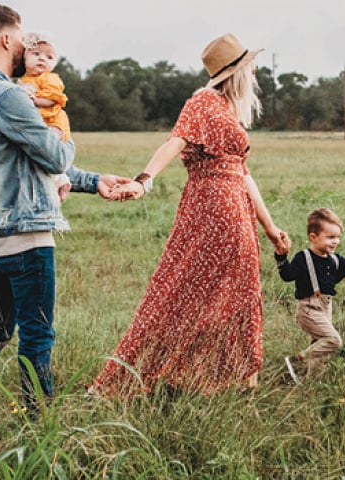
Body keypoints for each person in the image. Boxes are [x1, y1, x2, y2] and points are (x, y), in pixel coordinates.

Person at [0, 4, 129, 433]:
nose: (28, 47)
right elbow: (52, 154)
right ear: (6, 40)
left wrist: (93, 181)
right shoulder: (10, 96)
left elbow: (26, 163)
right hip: (25, 237)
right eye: (23, 38)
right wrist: (61, 135)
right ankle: (41, 424)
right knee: (38, 334)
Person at [88, 33, 291, 399]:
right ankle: (172, 373)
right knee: (184, 289)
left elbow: (243, 174)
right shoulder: (203, 102)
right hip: (213, 208)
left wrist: (271, 227)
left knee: (237, 290)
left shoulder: (228, 110)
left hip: (234, 208)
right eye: (250, 66)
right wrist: (144, 181)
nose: (256, 71)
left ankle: (234, 378)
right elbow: (174, 141)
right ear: (235, 72)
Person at [276, 208, 345, 384]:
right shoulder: (303, 257)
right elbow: (287, 275)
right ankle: (297, 361)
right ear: (313, 237)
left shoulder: (335, 260)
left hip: (326, 307)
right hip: (308, 308)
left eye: (337, 237)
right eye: (330, 237)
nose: (335, 241)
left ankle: (310, 382)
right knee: (333, 340)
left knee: (321, 350)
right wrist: (281, 257)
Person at [18, 31, 71, 203]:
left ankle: (57, 182)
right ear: (25, 58)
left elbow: (53, 98)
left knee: (49, 147)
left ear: (54, 64)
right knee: (40, 154)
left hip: (53, 120)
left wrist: (36, 101)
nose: (42, 59)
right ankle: (61, 180)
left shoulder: (50, 78)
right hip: (40, 121)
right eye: (36, 54)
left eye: (48, 57)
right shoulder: (23, 80)